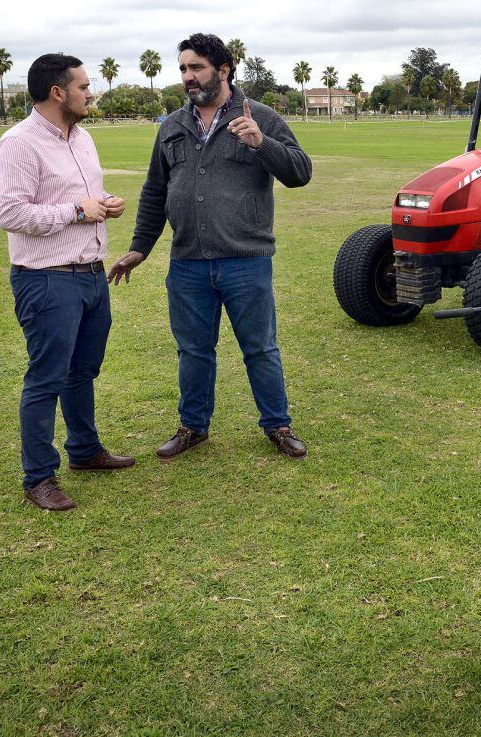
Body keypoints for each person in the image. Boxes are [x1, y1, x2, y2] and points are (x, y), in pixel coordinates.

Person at [107, 33, 312, 460]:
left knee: (260, 348)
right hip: (188, 265)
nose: (188, 76)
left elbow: (300, 172)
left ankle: (278, 424)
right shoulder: (173, 126)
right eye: (183, 68)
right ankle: (193, 427)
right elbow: (155, 192)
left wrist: (262, 143)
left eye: (196, 67)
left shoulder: (261, 117)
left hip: (246, 262)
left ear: (223, 70)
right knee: (193, 350)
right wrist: (140, 248)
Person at [0, 54, 135, 511]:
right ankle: (38, 478)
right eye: (84, 86)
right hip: (47, 280)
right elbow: (10, 214)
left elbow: (81, 198)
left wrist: (104, 203)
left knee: (82, 372)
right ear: (58, 92)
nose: (91, 93)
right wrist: (76, 211)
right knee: (46, 378)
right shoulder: (19, 143)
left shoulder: (83, 137)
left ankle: (85, 451)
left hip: (91, 276)